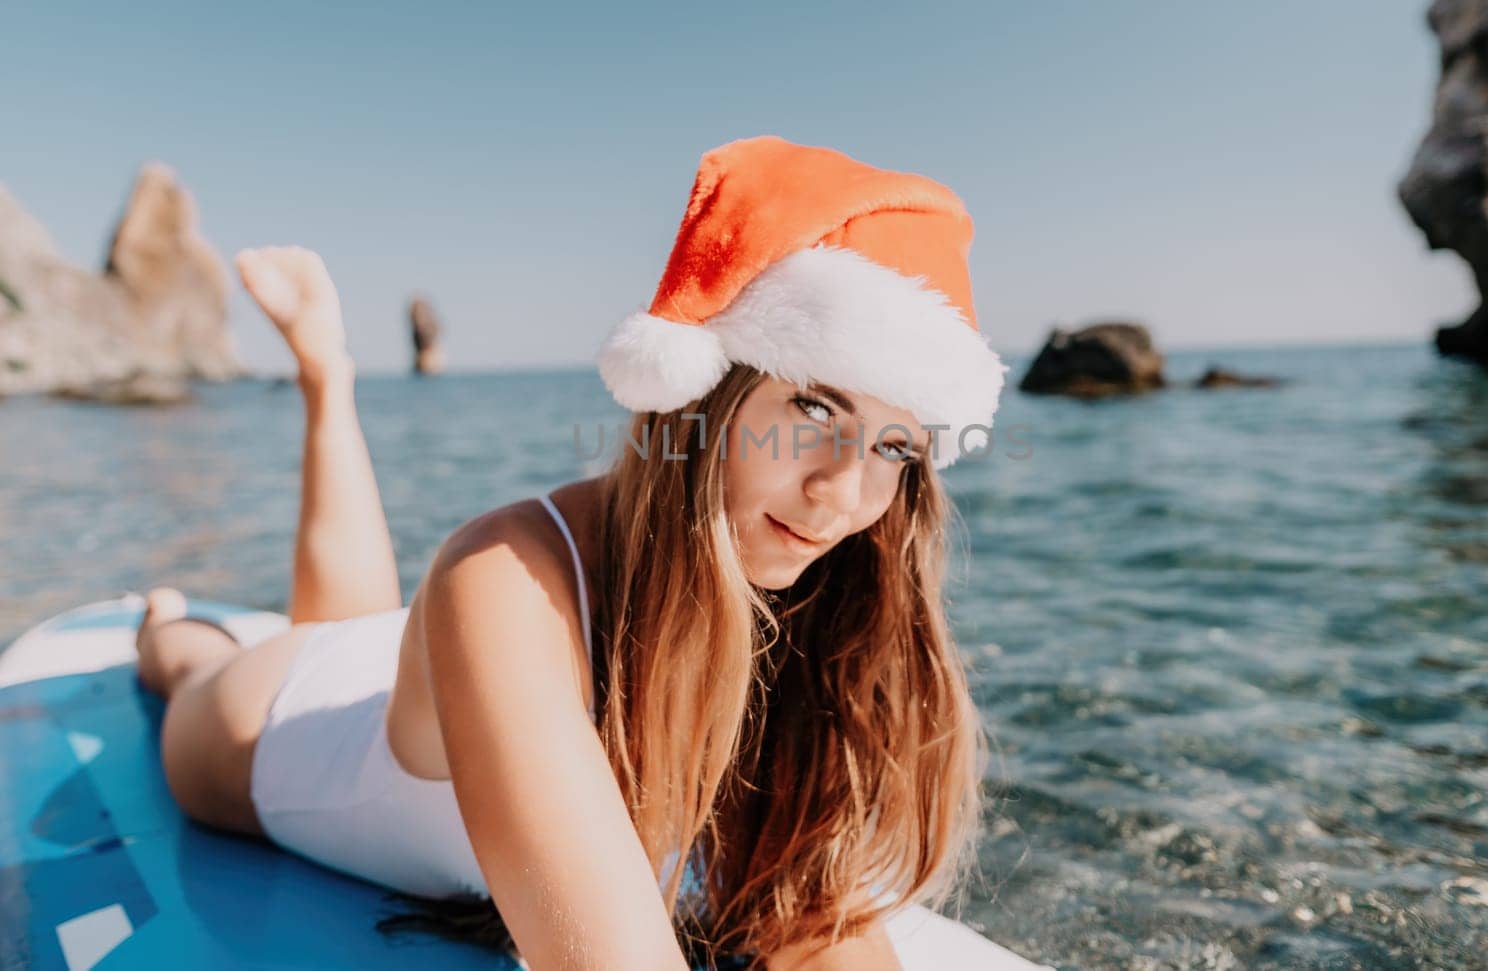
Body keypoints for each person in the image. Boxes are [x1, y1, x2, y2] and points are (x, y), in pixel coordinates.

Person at [134, 136, 1009, 971]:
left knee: (365, 621)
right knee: (195, 657)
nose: (845, 494)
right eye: (815, 411)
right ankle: (308, 405)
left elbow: (811, 929)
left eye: (896, 448)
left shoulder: (816, 596)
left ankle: (328, 380)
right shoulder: (502, 573)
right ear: (701, 391)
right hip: (284, 722)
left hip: (446, 673)